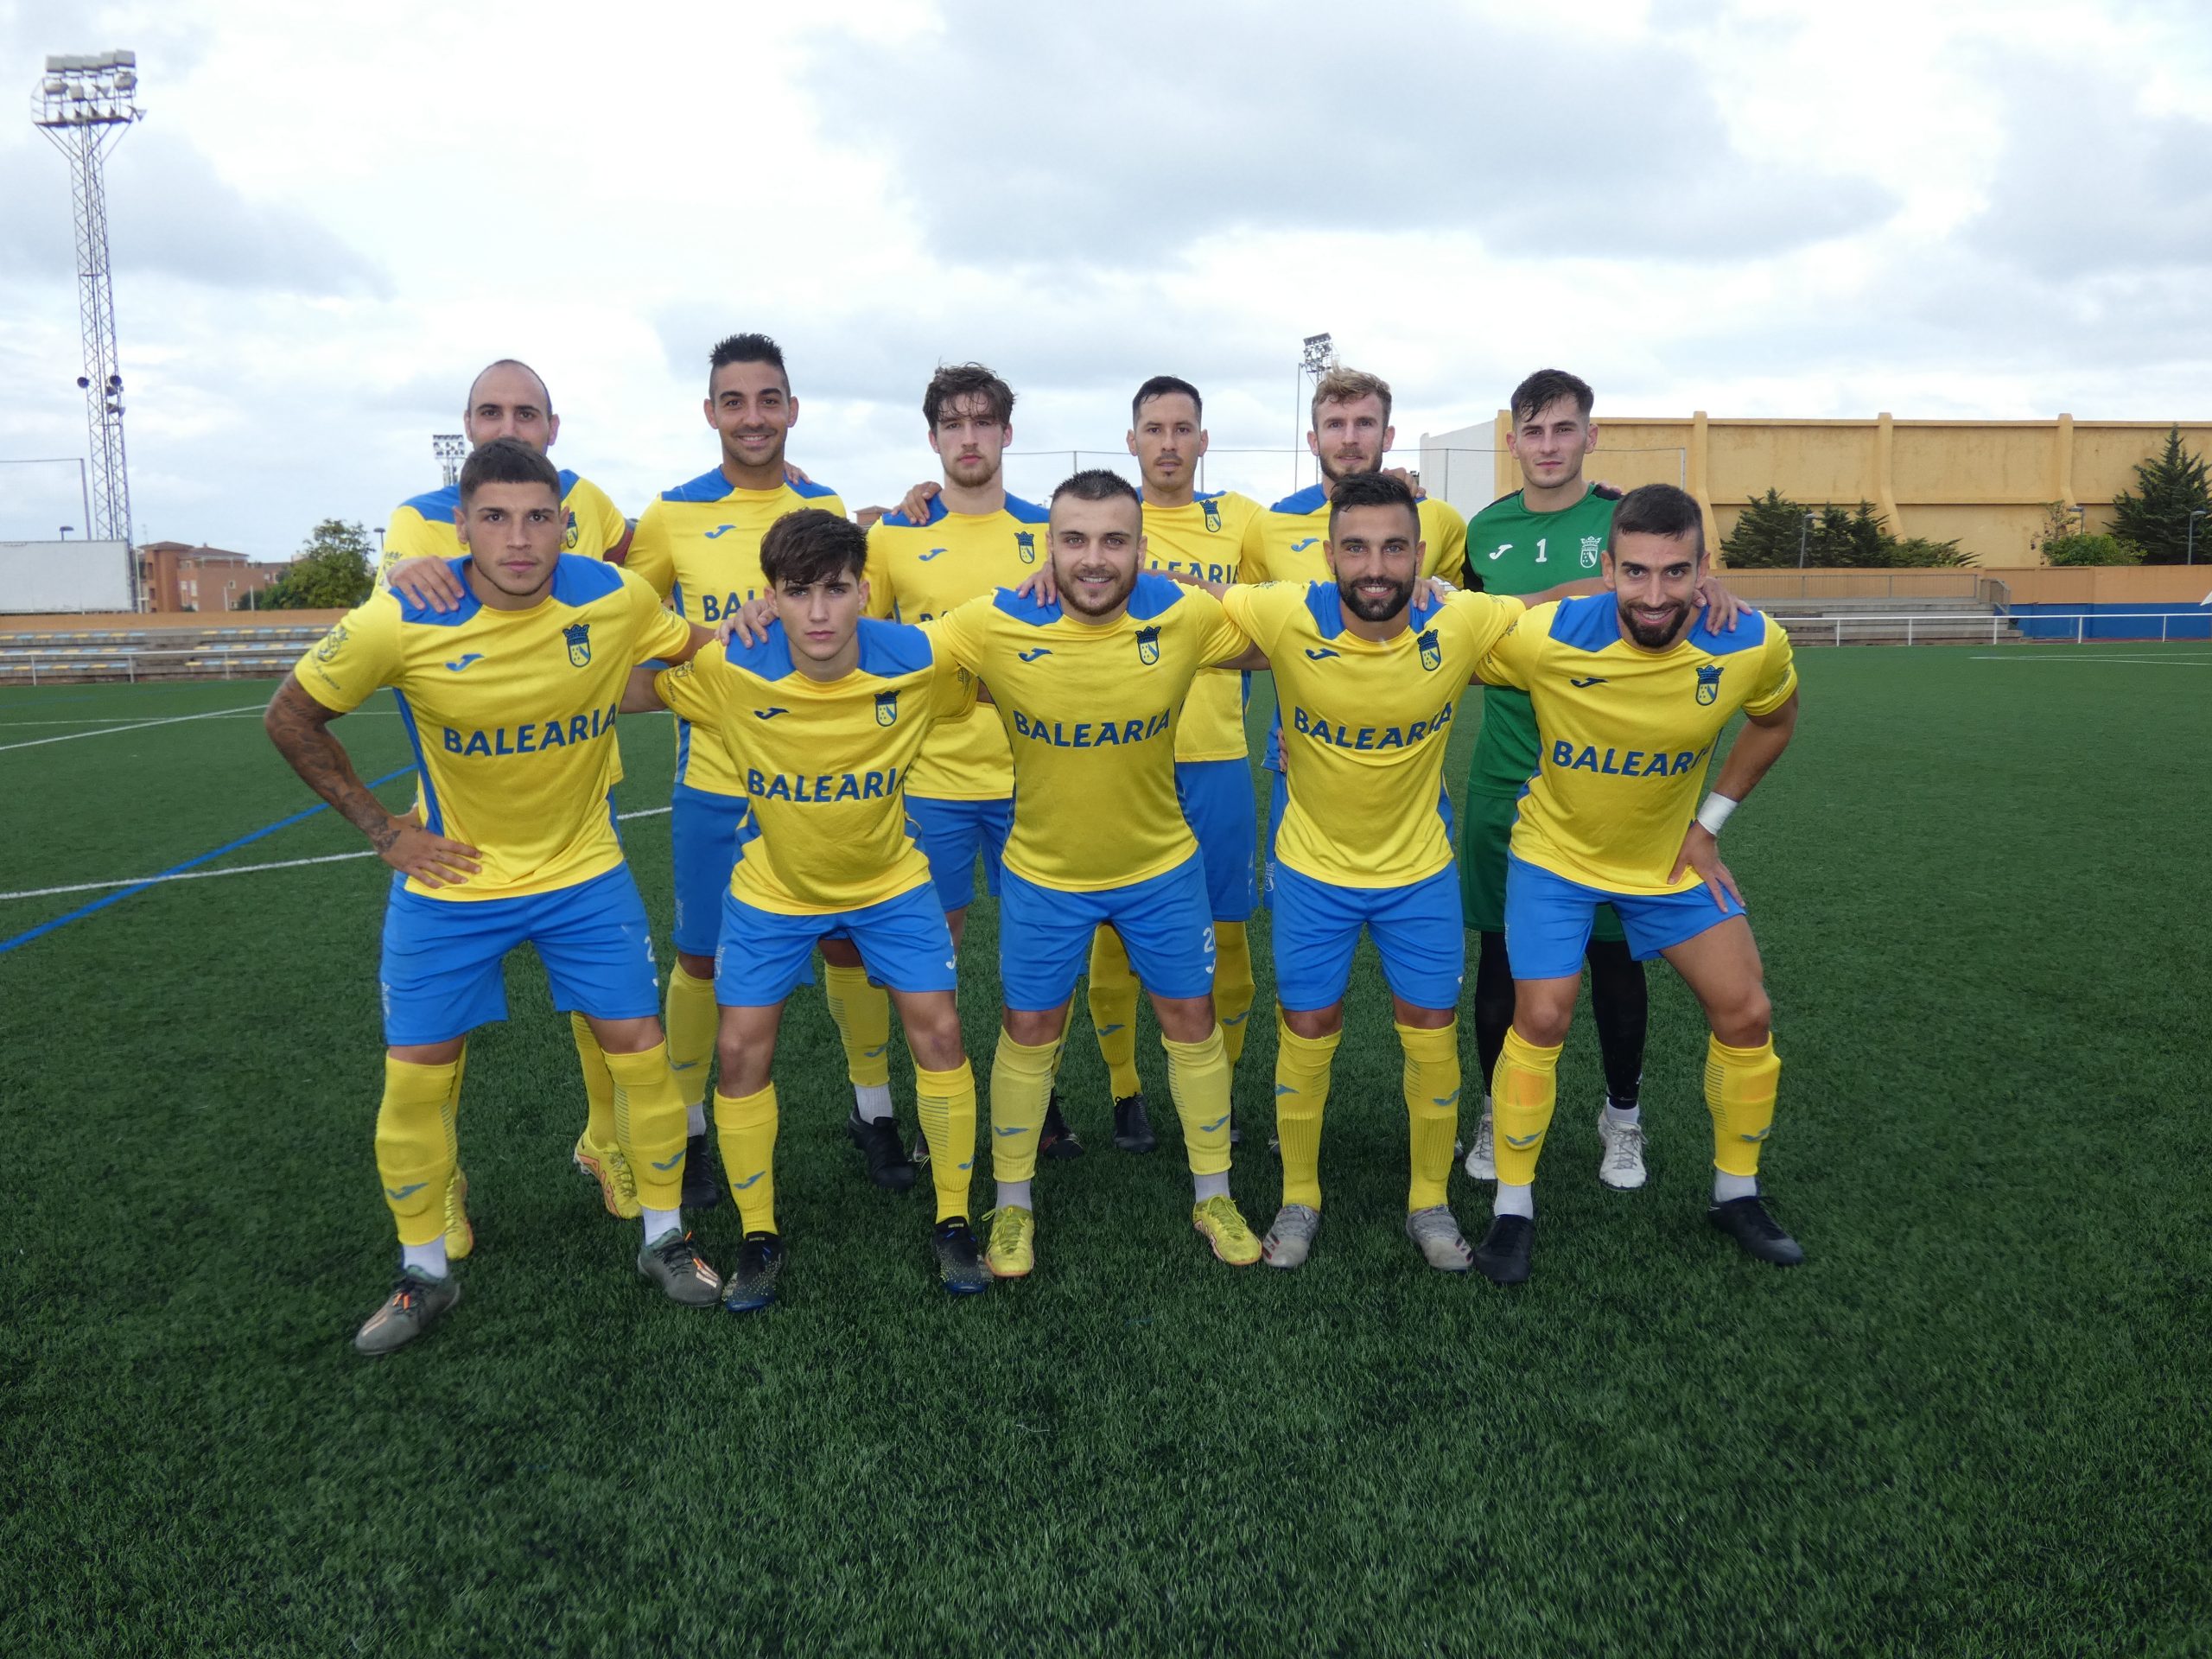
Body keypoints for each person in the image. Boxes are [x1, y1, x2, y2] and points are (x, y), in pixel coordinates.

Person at [264, 438, 721, 1355]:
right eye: (496, 518)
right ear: (463, 526)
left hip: (583, 873)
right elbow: (290, 715)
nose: (519, 538)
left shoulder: (614, 596)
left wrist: (770, 625)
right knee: (415, 1076)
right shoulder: (404, 615)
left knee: (643, 1057)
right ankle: (423, 1273)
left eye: (538, 517)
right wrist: (384, 829)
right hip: (454, 882)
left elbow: (699, 652)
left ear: (565, 524)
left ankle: (665, 1237)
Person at [756, 470, 1267, 1275]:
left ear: (1142, 548)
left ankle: (1215, 1194)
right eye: (1074, 540)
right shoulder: (994, 621)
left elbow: (1293, 634)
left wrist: (1422, 595)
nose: (1093, 558)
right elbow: (879, 642)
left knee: (1191, 1021)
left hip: (1160, 868)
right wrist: (762, 619)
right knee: (1028, 1031)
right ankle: (1012, 1205)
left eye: (1114, 541)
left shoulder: (1184, 614)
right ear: (1048, 546)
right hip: (1043, 873)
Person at [621, 509, 989, 1307]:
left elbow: (1000, 678)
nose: (818, 612)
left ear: (864, 590)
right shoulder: (731, 665)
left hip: (890, 882)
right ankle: (758, 1235)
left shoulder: (919, 660)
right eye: (797, 593)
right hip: (774, 889)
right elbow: (627, 685)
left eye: (835, 589)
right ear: (770, 597)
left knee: (941, 1032)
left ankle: (955, 1221)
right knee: (739, 1052)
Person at [1470, 483, 1806, 1286]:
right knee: (1541, 1015)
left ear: (1704, 569)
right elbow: (1441, 644)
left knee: (1747, 1011)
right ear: (1607, 568)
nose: (1654, 595)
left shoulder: (1748, 641)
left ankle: (1737, 1193)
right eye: (1636, 572)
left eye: (1675, 572)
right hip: (1556, 857)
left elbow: (1776, 718)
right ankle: (1512, 1207)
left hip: (1667, 863)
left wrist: (1710, 823)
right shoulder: (1551, 634)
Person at [1203, 473, 1519, 1269]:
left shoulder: (1462, 620)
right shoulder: (1283, 612)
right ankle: (1299, 1196)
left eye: (1393, 548)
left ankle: (1429, 1202)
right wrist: (1066, 576)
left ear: (1421, 555)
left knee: (1431, 1033)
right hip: (1313, 873)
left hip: (1420, 873)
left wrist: (1697, 588)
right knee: (1308, 1030)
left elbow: (1565, 612)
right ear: (1329, 555)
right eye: (1356, 548)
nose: (1375, 567)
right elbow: (1180, 595)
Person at [378, 359, 634, 1218]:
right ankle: (439, 1178)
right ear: (468, 426)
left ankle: (606, 1140)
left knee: (602, 992)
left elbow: (627, 581)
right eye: (491, 412)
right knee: (436, 1021)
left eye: (527, 413)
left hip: (580, 780)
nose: (509, 427)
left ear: (552, 428)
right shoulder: (418, 518)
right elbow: (403, 609)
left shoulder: (589, 502)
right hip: (470, 797)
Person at [861, 364, 1084, 1161]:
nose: (968, 437)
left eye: (982, 422)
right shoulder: (894, 536)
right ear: (932, 438)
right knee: (932, 954)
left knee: (1043, 948)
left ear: (1006, 433)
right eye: (952, 424)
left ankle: (1039, 1095)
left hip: (1038, 780)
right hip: (932, 781)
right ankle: (942, 1104)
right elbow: (866, 650)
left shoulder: (1053, 532)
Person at [1241, 366, 1468, 897]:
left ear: (1388, 436)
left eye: (1364, 423)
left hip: (1408, 757)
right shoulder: (1270, 526)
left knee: (1418, 907)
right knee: (1306, 921)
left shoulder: (1438, 519)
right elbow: (1250, 628)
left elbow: (1459, 616)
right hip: (1302, 757)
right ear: (1313, 438)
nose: (1349, 438)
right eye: (1335, 424)